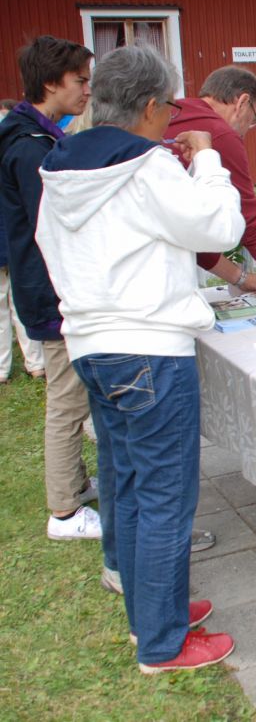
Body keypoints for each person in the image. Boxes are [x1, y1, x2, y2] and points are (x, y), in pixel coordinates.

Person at [36, 44, 245, 673]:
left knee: (126, 482)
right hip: (150, 350)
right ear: (151, 106)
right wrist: (207, 162)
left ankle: (147, 610)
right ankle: (162, 642)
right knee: (164, 497)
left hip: (93, 345)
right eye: (168, 111)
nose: (171, 123)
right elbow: (218, 228)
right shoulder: (147, 168)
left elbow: (50, 245)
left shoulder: (61, 167)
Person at [0, 36, 100, 539]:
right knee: (67, 400)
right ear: (50, 84)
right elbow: (55, 224)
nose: (87, 89)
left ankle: (76, 485)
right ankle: (63, 511)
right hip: (51, 292)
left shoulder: (36, 136)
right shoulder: (27, 148)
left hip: (48, 288)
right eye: (80, 81)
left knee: (68, 393)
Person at [164, 65, 256, 302]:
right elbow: (250, 216)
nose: (247, 130)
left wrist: (241, 278)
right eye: (253, 119)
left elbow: (193, 233)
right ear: (242, 102)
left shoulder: (175, 113)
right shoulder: (220, 133)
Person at [0, 96, 45, 382]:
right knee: (13, 302)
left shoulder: (17, 150)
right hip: (13, 238)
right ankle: (31, 363)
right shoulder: (18, 149)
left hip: (12, 238)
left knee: (14, 302)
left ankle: (29, 363)